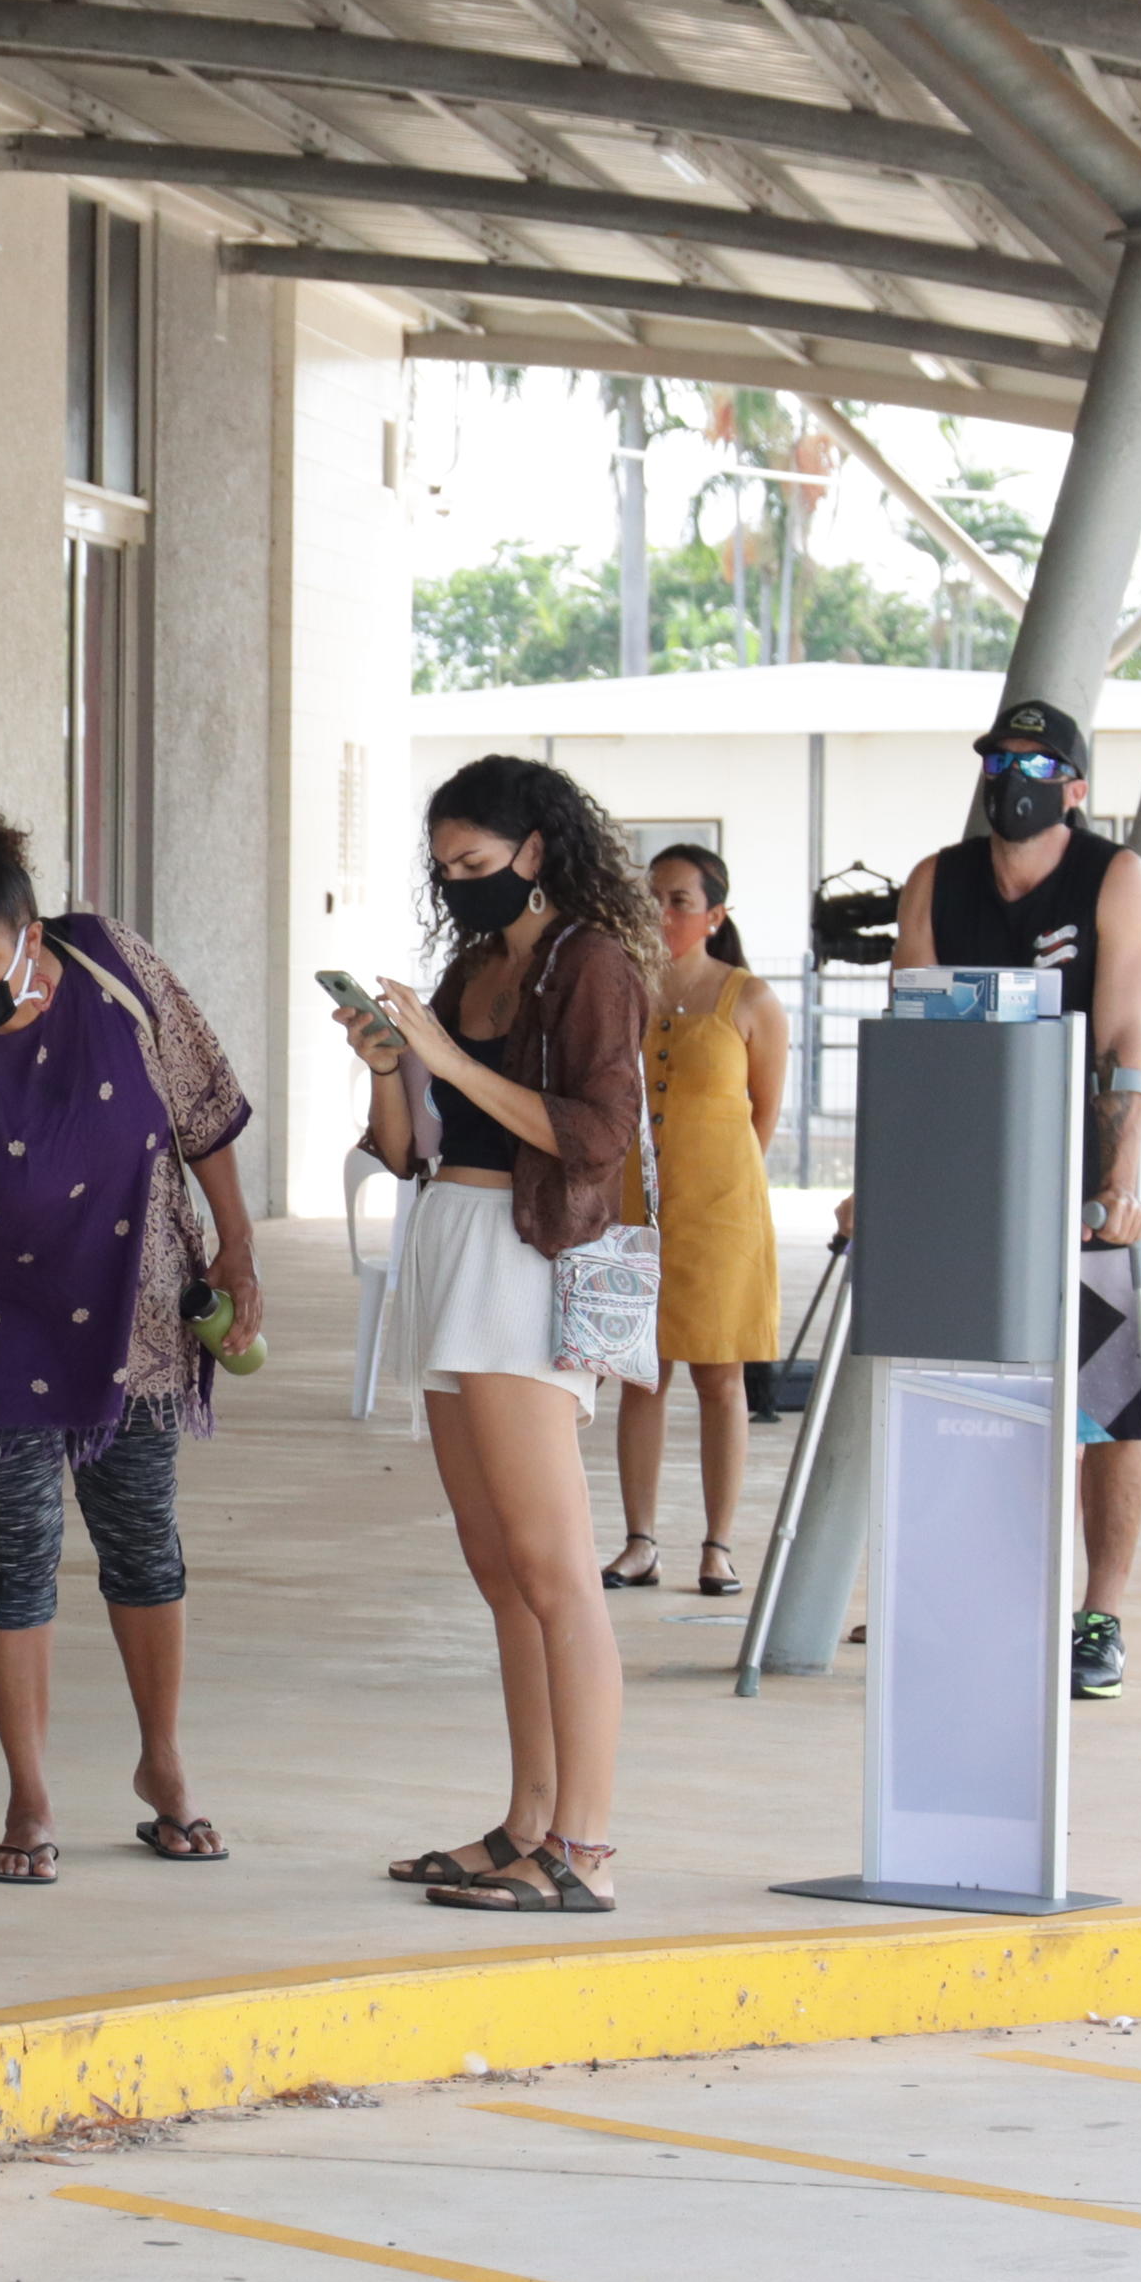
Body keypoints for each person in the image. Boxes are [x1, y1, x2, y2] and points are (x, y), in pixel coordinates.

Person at [0, 811, 255, 1884]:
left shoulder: (111, 966)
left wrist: (235, 1247)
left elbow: (199, 1102)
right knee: (17, 1550)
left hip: (132, 1300)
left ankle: (163, 1768)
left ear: (31, 935)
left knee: (140, 1537)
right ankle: (28, 1792)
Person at [337, 754, 655, 1919]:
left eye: (474, 865)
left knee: (556, 1568)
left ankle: (587, 1845)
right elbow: (411, 1144)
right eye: (442, 870)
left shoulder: (592, 964)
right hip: (447, 1240)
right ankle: (526, 1823)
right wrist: (389, 1065)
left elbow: (592, 1135)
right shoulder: (473, 963)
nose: (458, 885)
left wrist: (448, 1057)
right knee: (498, 1569)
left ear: (533, 850)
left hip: (521, 1264)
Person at [896, 697, 1141, 1701]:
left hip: (1093, 1152)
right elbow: (915, 1030)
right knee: (975, 1387)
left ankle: (1099, 1611)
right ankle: (983, 1589)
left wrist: (1120, 1176)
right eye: (999, 759)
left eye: (1035, 763)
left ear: (1075, 788)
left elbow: (1126, 1031)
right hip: (977, 1159)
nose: (1014, 778)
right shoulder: (937, 880)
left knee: (1105, 1394)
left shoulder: (1111, 876)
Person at [611, 845, 788, 1602]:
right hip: (634, 1207)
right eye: (652, 896)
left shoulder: (750, 999)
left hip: (719, 1213)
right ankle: (639, 1540)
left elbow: (764, 1115)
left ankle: (717, 1544)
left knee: (721, 1378)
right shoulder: (623, 989)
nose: (662, 913)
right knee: (640, 1374)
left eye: (680, 899)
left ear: (715, 915)